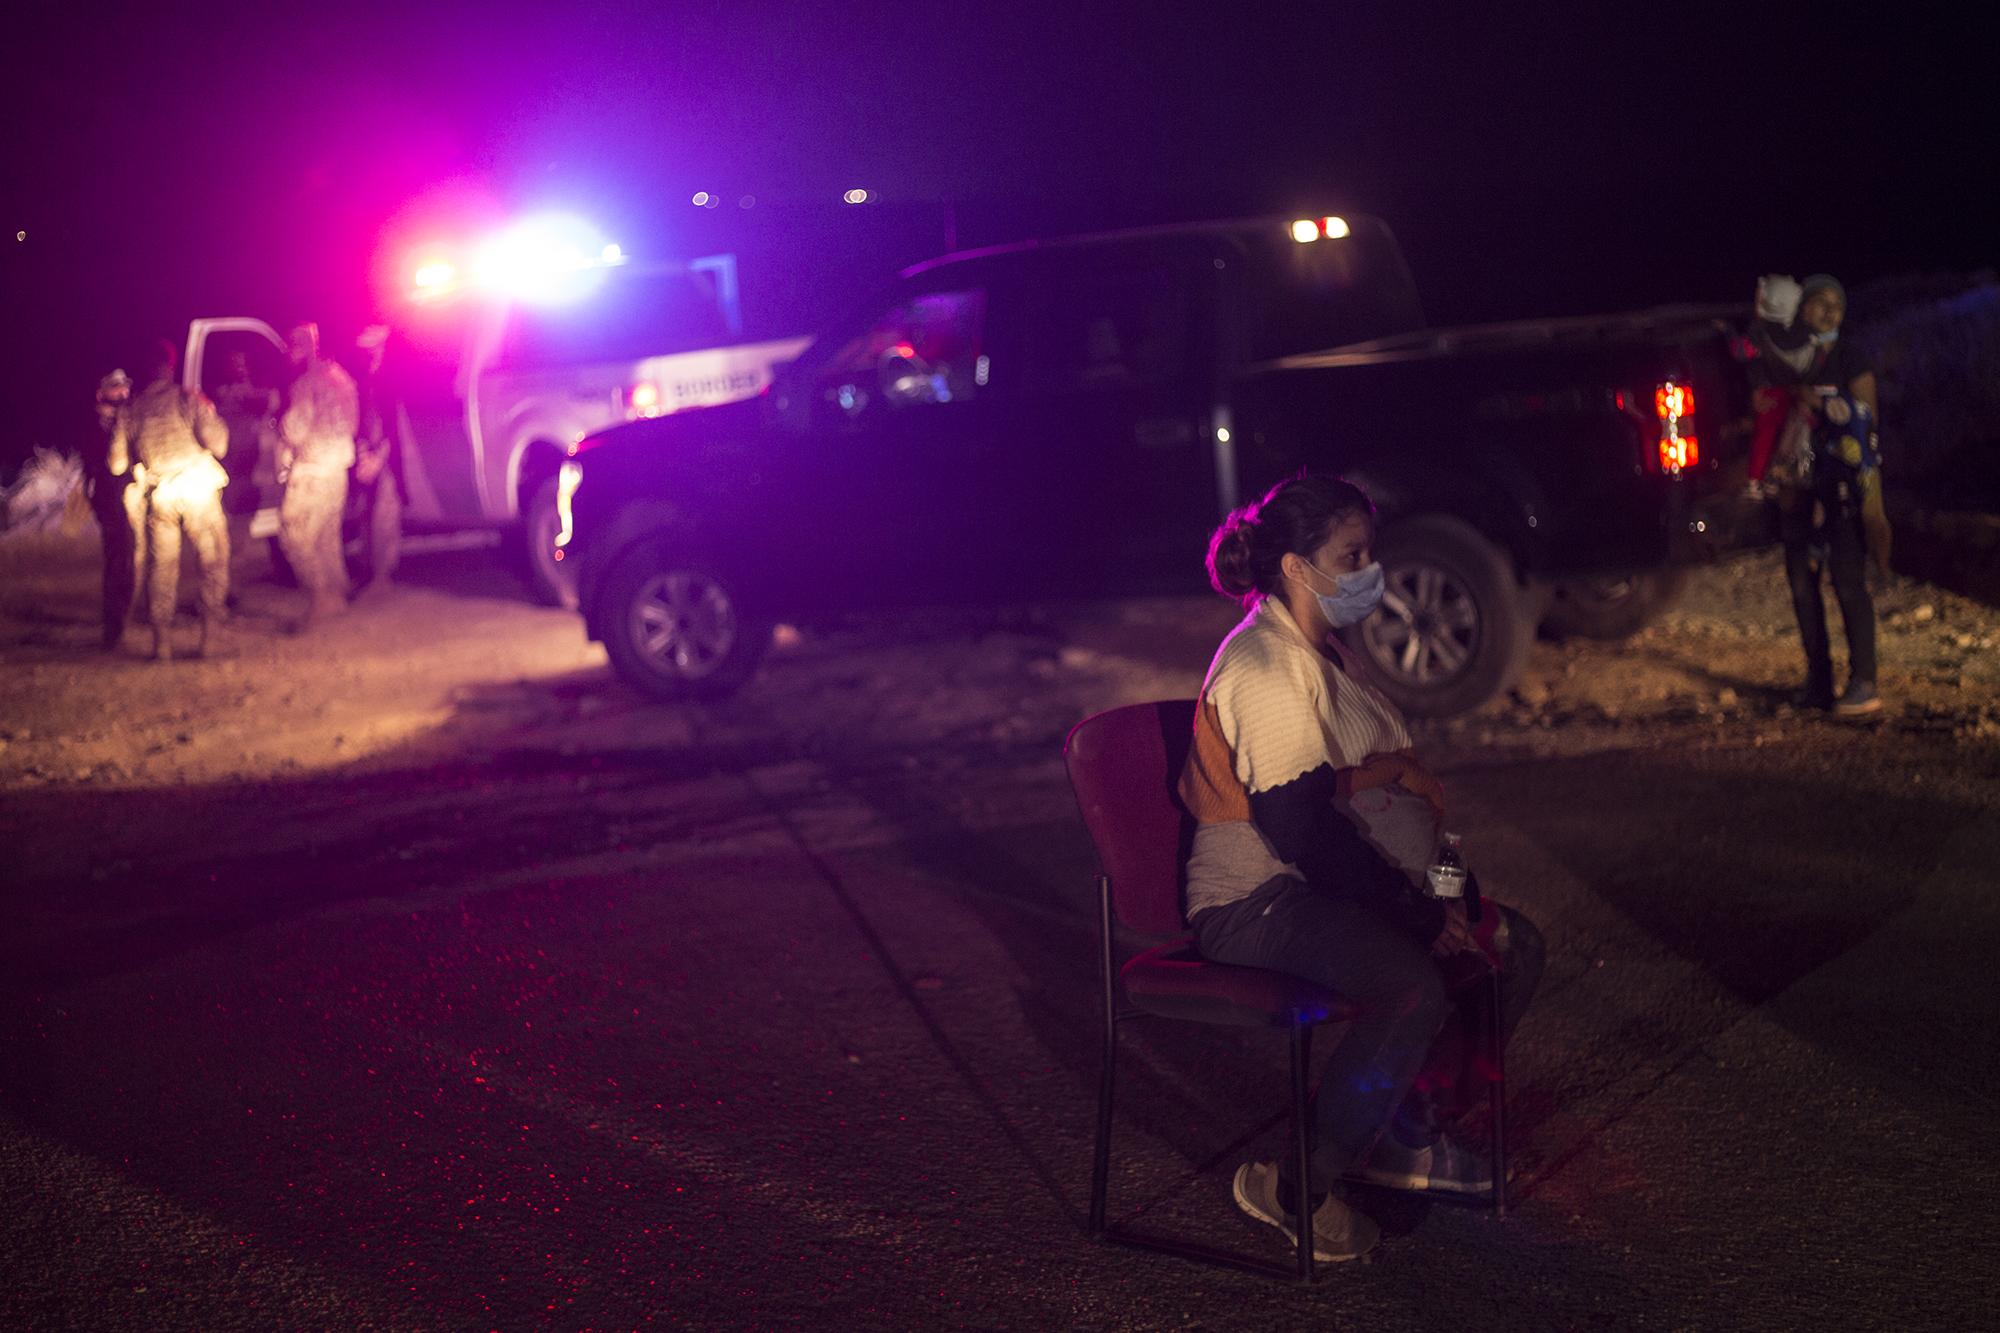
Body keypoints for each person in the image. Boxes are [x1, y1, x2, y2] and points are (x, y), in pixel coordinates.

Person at [1178, 472, 1544, 1261]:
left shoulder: (1327, 654)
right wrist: (1420, 915)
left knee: (1509, 948)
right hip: (1259, 896)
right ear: (1296, 568)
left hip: (1347, 878)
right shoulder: (1265, 666)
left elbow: (1406, 814)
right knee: (1410, 984)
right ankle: (1296, 1187)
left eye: (1368, 552)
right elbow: (1303, 828)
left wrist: (1456, 897)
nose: (1369, 572)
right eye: (1352, 555)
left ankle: (1405, 1135)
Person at [1775, 275, 1887, 716]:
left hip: (1841, 491)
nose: (1828, 313)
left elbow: (1866, 422)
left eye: (1836, 306)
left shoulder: (1849, 357)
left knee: (1847, 583)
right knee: (1803, 587)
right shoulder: (1787, 357)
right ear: (1801, 310)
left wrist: (1819, 405)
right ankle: (1817, 682)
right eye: (1819, 304)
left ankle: (1864, 681)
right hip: (1796, 490)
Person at [108, 341, 231, 661]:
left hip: (161, 494)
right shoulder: (187, 399)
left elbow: (116, 464)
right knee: (212, 560)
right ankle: (209, 637)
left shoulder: (132, 410)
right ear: (170, 366)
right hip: (196, 490)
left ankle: (161, 642)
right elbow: (218, 444)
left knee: (161, 567)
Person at [277, 321, 359, 626]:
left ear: (305, 348)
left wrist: (280, 422)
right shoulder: (341, 377)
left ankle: (322, 598)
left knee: (294, 535)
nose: (288, 353)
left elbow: (295, 430)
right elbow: (352, 422)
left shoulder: (306, 384)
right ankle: (339, 591)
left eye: (292, 346)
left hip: (312, 467)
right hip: (337, 466)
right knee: (327, 534)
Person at [86, 368, 143, 650]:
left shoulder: (124, 420)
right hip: (111, 502)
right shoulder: (95, 424)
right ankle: (113, 626)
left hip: (125, 498)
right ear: (101, 393)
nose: (123, 392)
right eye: (115, 387)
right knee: (118, 561)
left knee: (128, 559)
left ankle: (122, 618)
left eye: (125, 386)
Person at [213, 349, 279, 573]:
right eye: (234, 363)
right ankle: (227, 578)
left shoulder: (253, 390)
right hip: (233, 467)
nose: (240, 368)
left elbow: (271, 402)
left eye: (242, 363)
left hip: (253, 466)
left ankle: (277, 566)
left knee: (259, 519)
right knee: (234, 525)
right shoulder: (222, 393)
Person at [348, 324, 401, 589]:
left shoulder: (390, 379)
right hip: (368, 452)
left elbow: (394, 426)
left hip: (386, 457)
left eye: (370, 349)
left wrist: (379, 457)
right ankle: (369, 571)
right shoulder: (364, 379)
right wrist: (361, 451)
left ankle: (383, 575)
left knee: (384, 515)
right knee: (365, 514)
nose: (366, 354)